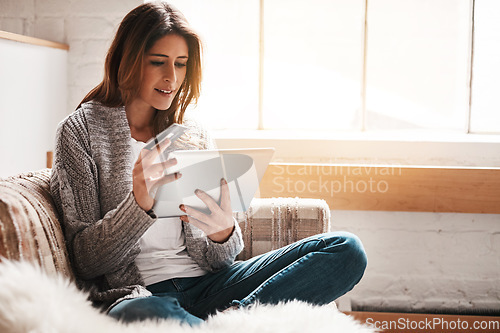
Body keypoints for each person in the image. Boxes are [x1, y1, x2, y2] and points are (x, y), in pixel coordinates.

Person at [50, 1, 367, 326]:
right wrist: (138, 205)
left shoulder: (193, 133)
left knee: (346, 250)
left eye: (181, 64)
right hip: (140, 296)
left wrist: (223, 233)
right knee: (143, 313)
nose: (171, 77)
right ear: (127, 61)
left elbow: (219, 261)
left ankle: (235, 318)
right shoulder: (81, 132)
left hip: (213, 287)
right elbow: (86, 261)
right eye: (158, 62)